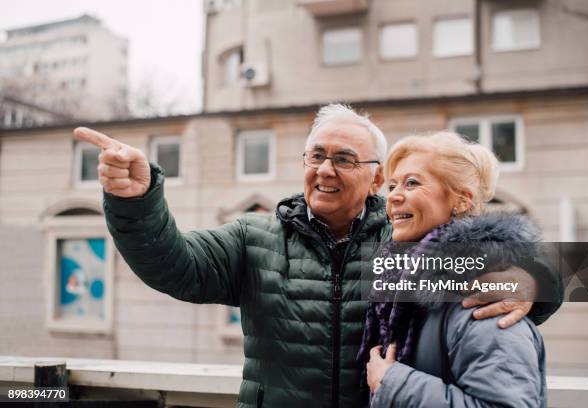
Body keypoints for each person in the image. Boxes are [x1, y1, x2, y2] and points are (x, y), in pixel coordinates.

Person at [74, 104, 560, 408]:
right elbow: (172, 264)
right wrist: (138, 200)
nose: (325, 169)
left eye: (345, 159)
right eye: (315, 155)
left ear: (372, 179)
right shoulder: (254, 237)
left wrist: (536, 281)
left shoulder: (402, 249)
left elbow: (515, 262)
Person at [361, 132, 548, 407]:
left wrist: (395, 384)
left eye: (412, 183)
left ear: (461, 201)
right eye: (392, 186)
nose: (394, 197)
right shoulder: (403, 278)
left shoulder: (484, 296)